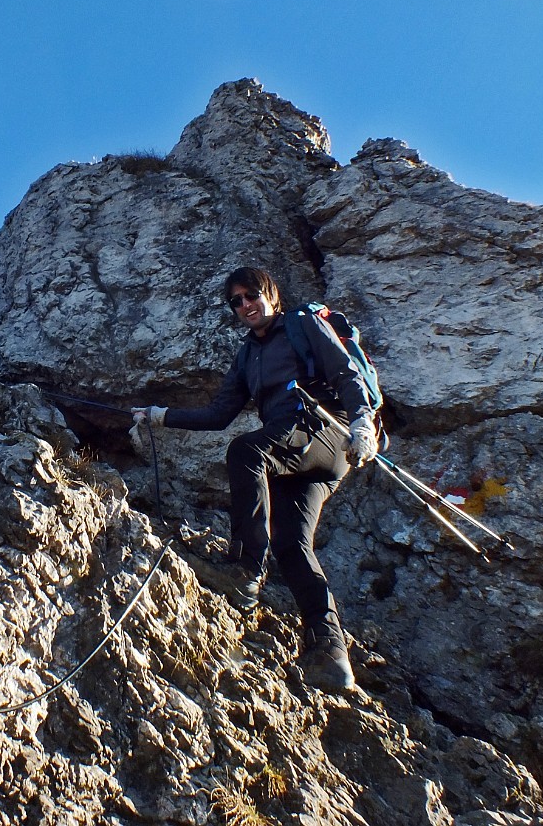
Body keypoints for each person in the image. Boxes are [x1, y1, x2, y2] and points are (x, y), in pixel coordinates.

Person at [132, 267, 379, 693]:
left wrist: (362, 423)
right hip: (296, 454)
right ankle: (332, 654)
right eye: (237, 301)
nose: (246, 305)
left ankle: (246, 568)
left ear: (271, 295)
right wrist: (160, 416)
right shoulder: (247, 356)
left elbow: (344, 372)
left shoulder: (302, 323)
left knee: (247, 450)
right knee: (292, 545)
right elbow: (218, 415)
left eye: (252, 295)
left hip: (322, 431)